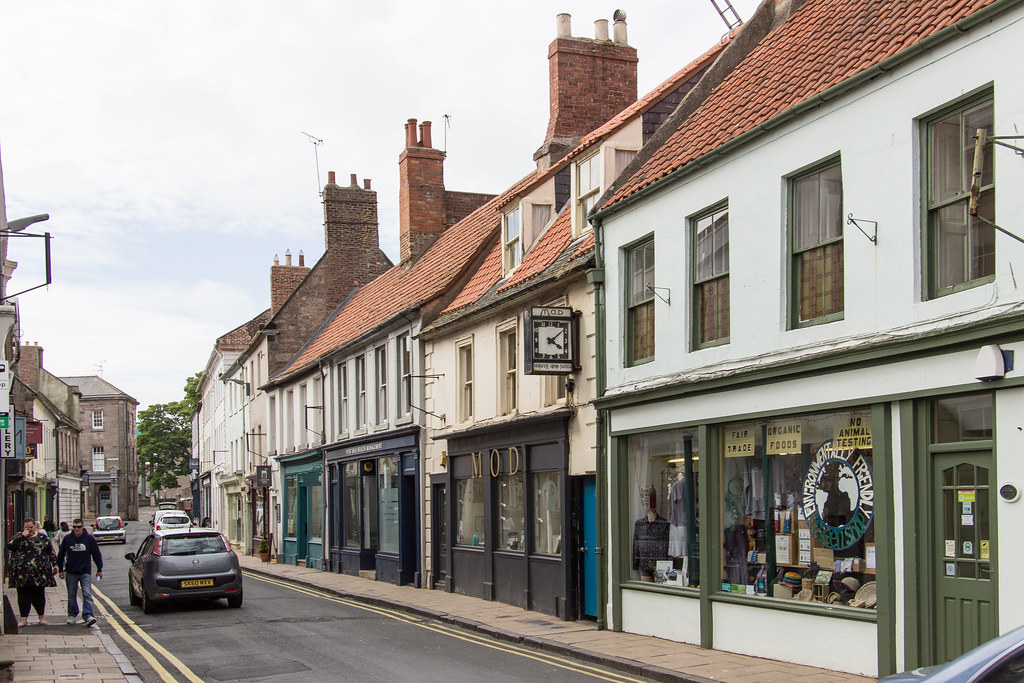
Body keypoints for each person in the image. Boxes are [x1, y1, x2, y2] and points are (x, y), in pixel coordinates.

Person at [7, 517, 58, 627]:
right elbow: (10, 546)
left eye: (30, 527)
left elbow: (51, 551)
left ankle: (41, 617)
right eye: (26, 528)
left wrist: (55, 565)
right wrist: (22, 536)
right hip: (22, 574)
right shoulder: (18, 537)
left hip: (39, 573)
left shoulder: (42, 538)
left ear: (35, 526)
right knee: (23, 596)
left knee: (39, 595)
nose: (29, 530)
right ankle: (23, 619)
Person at [57, 518, 103, 627]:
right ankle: (72, 614)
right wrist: (60, 569)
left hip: (85, 571)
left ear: (83, 527)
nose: (76, 529)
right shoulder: (68, 539)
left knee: (87, 593)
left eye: (78, 527)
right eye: (74, 527)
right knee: (71, 595)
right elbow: (61, 554)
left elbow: (96, 554)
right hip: (71, 571)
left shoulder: (89, 539)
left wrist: (99, 569)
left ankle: (88, 615)